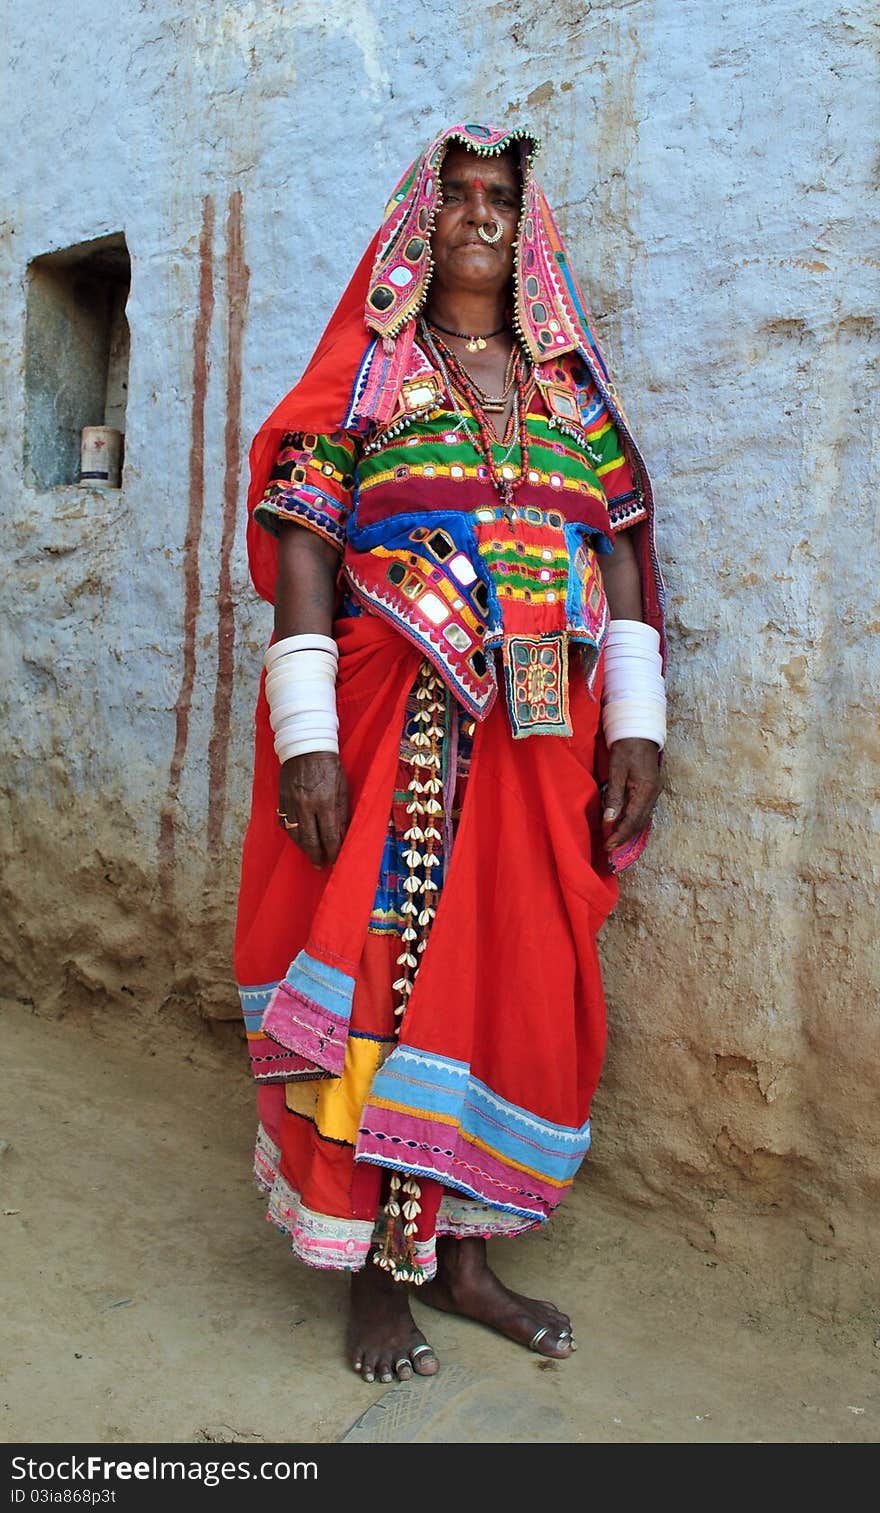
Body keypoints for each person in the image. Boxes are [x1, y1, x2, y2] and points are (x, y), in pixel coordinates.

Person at [234, 122, 665, 1386]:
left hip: (542, 747)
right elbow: (306, 540)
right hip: (396, 738)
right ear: (417, 226)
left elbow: (624, 550)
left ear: (528, 234)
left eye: (501, 201)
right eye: (459, 198)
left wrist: (633, 718)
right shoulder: (367, 375)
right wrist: (306, 736)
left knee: (515, 980)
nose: (479, 216)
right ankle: (375, 1268)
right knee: (388, 974)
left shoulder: (571, 392)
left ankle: (465, 1256)